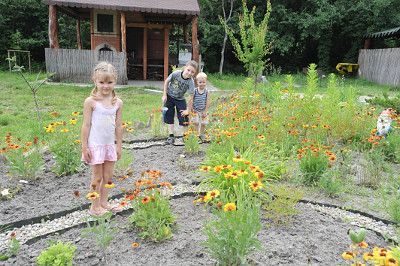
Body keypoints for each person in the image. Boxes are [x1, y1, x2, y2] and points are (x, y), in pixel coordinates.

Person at [81, 62, 123, 216]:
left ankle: (104, 202)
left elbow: (118, 126)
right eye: (102, 82)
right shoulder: (90, 102)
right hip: (95, 146)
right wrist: (84, 147)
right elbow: (86, 125)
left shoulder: (117, 103)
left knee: (108, 177)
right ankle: (94, 206)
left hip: (109, 146)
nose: (105, 86)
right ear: (95, 81)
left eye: (109, 82)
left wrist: (119, 146)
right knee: (97, 178)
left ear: (115, 81)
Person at [162, 60, 198, 144]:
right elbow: (166, 81)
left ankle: (185, 136)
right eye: (188, 70)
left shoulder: (191, 82)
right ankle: (171, 136)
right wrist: (164, 95)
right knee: (169, 115)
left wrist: (188, 110)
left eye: (192, 72)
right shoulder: (176, 74)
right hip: (170, 97)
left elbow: (191, 97)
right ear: (185, 68)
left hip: (180, 99)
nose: (189, 73)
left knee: (184, 116)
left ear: (194, 73)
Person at [188, 72, 211, 142]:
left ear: (206, 82)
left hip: (203, 110)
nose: (202, 84)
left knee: (204, 123)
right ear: (197, 82)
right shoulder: (195, 91)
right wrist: (191, 109)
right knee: (196, 122)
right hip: (195, 110)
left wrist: (205, 111)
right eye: (200, 82)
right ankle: (196, 135)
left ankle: (202, 134)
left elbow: (208, 101)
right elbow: (191, 100)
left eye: (204, 82)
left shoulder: (207, 91)